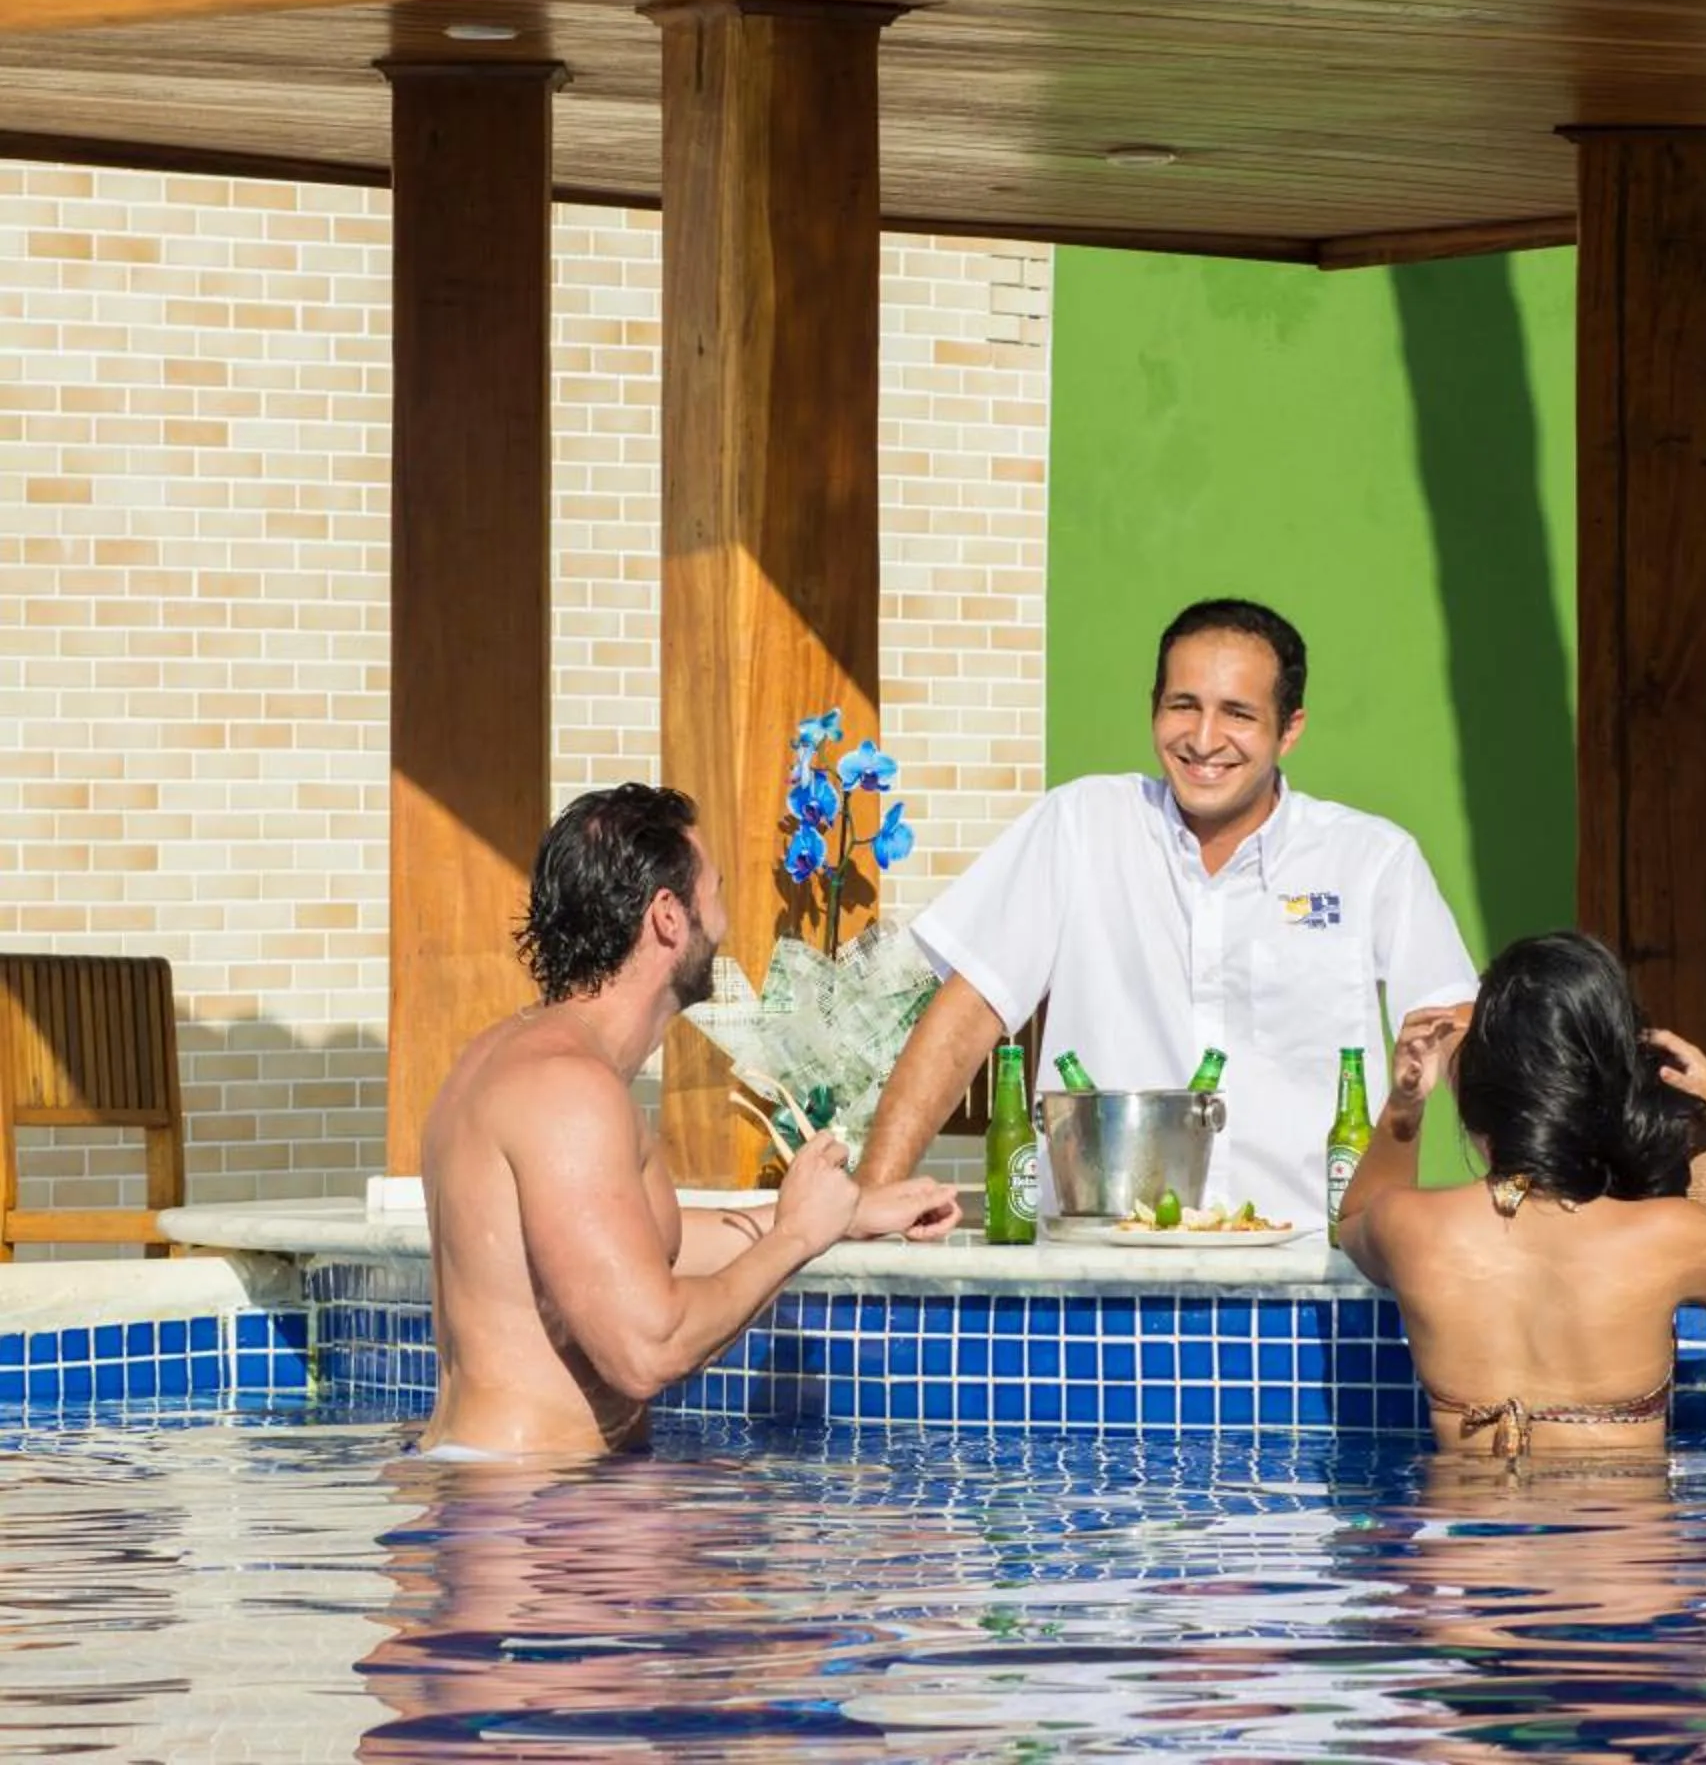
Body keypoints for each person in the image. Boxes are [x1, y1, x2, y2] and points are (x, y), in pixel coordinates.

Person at [857, 598, 1480, 1229]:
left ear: (1289, 729)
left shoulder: (1372, 860)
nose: (1204, 740)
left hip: (1311, 1267)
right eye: (1184, 705)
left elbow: (1454, 1031)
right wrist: (868, 1200)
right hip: (1100, 1267)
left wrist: (1529, 1200)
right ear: (1154, 706)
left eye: (1238, 714)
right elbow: (969, 1012)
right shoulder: (1080, 826)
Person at [417, 784, 960, 1459]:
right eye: (717, 890)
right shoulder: (569, 1092)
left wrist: (843, 1214)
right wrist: (793, 1240)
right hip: (536, 1521)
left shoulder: (512, 1059)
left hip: (509, 1501)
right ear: (669, 917)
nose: (726, 922)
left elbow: (622, 1249)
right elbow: (648, 1348)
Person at [1337, 931, 1706, 1459]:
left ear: (1482, 1083)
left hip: (1467, 1538)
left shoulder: (1412, 1227)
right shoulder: (1670, 1234)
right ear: (1610, 1086)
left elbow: (1352, 1217)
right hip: (1621, 1539)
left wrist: (1405, 1106)